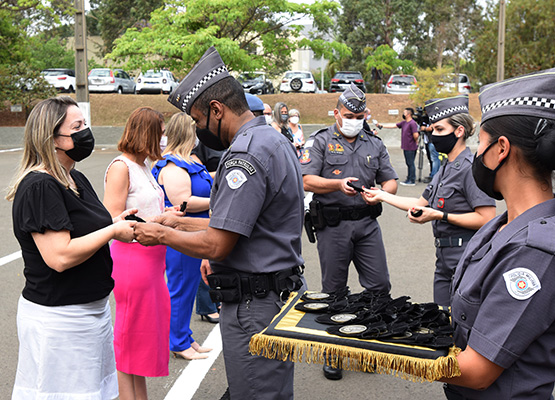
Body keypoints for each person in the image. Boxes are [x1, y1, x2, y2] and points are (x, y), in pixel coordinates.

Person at [135, 46, 305, 400]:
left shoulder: (245, 154)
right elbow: (238, 224)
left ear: (217, 109)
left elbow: (218, 244)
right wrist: (180, 225)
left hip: (253, 302)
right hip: (270, 295)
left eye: (198, 121)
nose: (199, 132)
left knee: (257, 393)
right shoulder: (272, 139)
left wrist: (162, 234)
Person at [7, 96, 136, 399]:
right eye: (76, 127)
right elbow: (60, 256)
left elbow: (87, 227)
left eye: (85, 124)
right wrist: (113, 231)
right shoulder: (40, 185)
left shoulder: (74, 177)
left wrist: (118, 222)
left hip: (92, 313)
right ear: (51, 138)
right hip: (60, 320)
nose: (84, 133)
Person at [440, 68, 555, 399]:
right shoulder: (500, 224)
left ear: (501, 149)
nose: (476, 153)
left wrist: (374, 353)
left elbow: (476, 372)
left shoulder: (537, 250)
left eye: (480, 143)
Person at [301, 83, 398, 380]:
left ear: (365, 114)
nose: (354, 120)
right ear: (336, 113)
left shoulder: (374, 143)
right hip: (334, 225)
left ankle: (367, 346)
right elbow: (306, 179)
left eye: (359, 115)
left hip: (368, 224)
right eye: (348, 115)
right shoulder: (320, 141)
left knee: (379, 285)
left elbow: (391, 180)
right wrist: (336, 184)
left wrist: (381, 193)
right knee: (334, 290)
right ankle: (333, 352)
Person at [363, 95, 496, 306]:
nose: (434, 135)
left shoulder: (470, 169)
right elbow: (420, 203)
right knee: (441, 321)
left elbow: (487, 218)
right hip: (443, 259)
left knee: (460, 326)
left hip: (466, 257)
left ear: (459, 131)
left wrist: (440, 215)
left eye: (440, 130)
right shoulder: (445, 168)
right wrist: (382, 195)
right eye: (433, 129)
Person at [103, 107, 170, 400]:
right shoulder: (121, 167)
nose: (165, 138)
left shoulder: (143, 166)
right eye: (161, 132)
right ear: (148, 134)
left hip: (152, 259)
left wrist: (164, 215)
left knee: (143, 338)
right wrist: (154, 222)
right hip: (133, 258)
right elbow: (113, 219)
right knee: (130, 336)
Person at [151, 112, 215, 359]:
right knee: (180, 288)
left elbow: (207, 179)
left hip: (194, 233)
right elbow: (182, 202)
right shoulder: (174, 165)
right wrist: (215, 201)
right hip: (181, 235)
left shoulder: (189, 160)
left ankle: (185, 336)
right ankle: (178, 343)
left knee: (188, 287)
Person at [377, 108, 419, 186]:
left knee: (410, 163)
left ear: (408, 114)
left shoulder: (412, 123)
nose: (403, 114)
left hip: (411, 147)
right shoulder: (404, 123)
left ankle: (412, 180)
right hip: (406, 146)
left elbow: (416, 135)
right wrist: (382, 126)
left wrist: (415, 141)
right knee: (408, 163)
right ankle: (409, 178)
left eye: (404, 112)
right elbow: (394, 125)